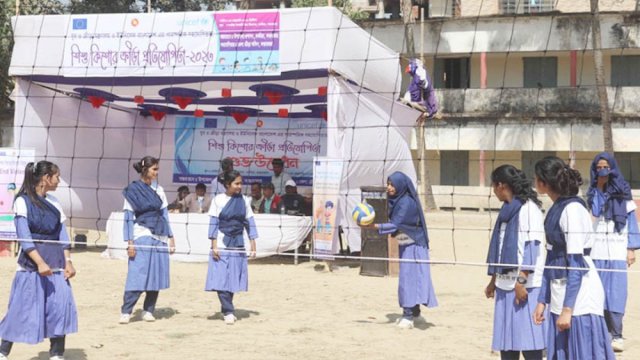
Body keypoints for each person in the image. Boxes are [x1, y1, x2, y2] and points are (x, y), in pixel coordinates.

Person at [532, 156, 615, 360]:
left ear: (543, 182)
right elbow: (551, 257)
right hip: (561, 287)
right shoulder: (556, 208)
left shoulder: (573, 209)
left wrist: (568, 309)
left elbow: (576, 264)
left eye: (535, 177)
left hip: (580, 294)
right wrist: (543, 300)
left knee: (582, 351)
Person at [0, 161, 77, 360]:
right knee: (21, 308)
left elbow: (63, 234)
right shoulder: (22, 201)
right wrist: (40, 263)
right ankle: (3, 351)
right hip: (31, 265)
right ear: (45, 178)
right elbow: (24, 237)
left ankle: (57, 354)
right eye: (57, 176)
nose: (59, 180)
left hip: (57, 264)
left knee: (59, 308)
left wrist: (68, 261)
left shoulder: (54, 202)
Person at [360, 171, 437, 329]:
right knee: (412, 278)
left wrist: (372, 226)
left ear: (400, 185)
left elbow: (396, 225)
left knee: (408, 280)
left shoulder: (406, 202)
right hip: (407, 243)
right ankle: (415, 313)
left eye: (392, 184)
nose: (389, 188)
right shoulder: (398, 200)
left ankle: (408, 316)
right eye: (388, 184)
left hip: (414, 245)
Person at [484, 165, 546, 360]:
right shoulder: (506, 211)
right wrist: (494, 280)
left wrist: (521, 281)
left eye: (493, 186)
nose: (493, 191)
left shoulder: (529, 209)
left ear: (501, 185)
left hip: (525, 287)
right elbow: (502, 247)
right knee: (507, 344)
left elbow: (532, 248)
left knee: (529, 343)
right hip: (504, 286)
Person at [585, 152, 640, 352]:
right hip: (597, 249)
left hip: (617, 250)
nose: (602, 170)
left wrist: (631, 248)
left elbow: (632, 221)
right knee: (596, 293)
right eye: (598, 167)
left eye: (605, 166)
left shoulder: (624, 191)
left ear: (613, 167)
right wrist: (599, 186)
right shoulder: (591, 192)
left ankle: (617, 335)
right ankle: (600, 334)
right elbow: (595, 212)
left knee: (616, 294)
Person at [120, 156, 176, 325]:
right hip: (142, 233)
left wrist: (171, 237)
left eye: (157, 169)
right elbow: (128, 218)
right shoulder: (133, 190)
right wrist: (129, 242)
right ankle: (126, 310)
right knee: (138, 273)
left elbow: (165, 215)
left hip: (160, 234)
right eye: (154, 169)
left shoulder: (159, 189)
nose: (157, 172)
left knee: (156, 274)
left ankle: (148, 310)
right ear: (145, 170)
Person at [205, 170, 258, 325]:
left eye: (241, 183)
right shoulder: (218, 200)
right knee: (221, 278)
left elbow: (249, 222)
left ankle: (226, 307)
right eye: (237, 183)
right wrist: (213, 245)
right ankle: (229, 310)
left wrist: (253, 243)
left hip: (238, 243)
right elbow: (213, 223)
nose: (240, 186)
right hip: (221, 242)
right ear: (228, 184)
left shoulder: (245, 201)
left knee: (233, 278)